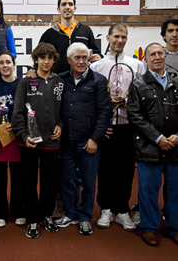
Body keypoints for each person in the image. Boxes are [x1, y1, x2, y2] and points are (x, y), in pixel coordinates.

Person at [127, 43, 178, 248]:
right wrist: (158, 138)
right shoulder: (138, 85)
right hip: (149, 148)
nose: (157, 57)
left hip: (177, 149)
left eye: (160, 53)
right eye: (152, 54)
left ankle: (175, 229)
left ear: (165, 57)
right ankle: (149, 228)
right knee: (148, 191)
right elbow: (135, 116)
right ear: (145, 59)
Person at [90, 24, 145, 232]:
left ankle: (122, 209)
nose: (120, 40)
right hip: (106, 127)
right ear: (108, 37)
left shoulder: (137, 65)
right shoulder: (97, 66)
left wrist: (128, 102)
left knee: (126, 169)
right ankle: (105, 207)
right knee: (105, 168)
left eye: (123, 37)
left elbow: (142, 95)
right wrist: (100, 125)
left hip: (129, 126)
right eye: (116, 36)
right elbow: (92, 99)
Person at [55, 43, 110, 235]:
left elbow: (105, 112)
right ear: (69, 60)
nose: (81, 61)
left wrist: (95, 138)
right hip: (65, 141)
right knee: (67, 180)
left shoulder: (99, 80)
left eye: (84, 58)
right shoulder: (60, 79)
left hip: (88, 141)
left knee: (88, 182)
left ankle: (85, 216)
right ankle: (70, 213)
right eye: (77, 58)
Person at [11, 42, 64, 239]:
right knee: (29, 181)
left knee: (50, 182)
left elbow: (63, 112)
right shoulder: (25, 82)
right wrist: (24, 136)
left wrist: (61, 125)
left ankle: (46, 215)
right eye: (43, 57)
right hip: (29, 142)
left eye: (50, 58)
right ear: (36, 59)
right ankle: (32, 218)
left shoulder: (60, 82)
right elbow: (17, 113)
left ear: (54, 60)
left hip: (52, 141)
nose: (47, 61)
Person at [0, 51, 25, 228]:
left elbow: (28, 107)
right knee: (0, 178)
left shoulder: (22, 84)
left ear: (13, 64)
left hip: (17, 136)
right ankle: (1, 213)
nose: (5, 65)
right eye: (1, 62)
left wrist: (18, 123)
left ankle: (18, 211)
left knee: (18, 178)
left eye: (8, 62)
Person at [39, 0, 101, 74]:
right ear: (58, 9)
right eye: (64, 4)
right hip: (57, 81)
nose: (67, 7)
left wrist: (99, 57)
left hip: (81, 81)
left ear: (74, 8)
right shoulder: (49, 34)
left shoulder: (86, 31)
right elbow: (39, 57)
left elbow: (96, 53)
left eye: (70, 4)